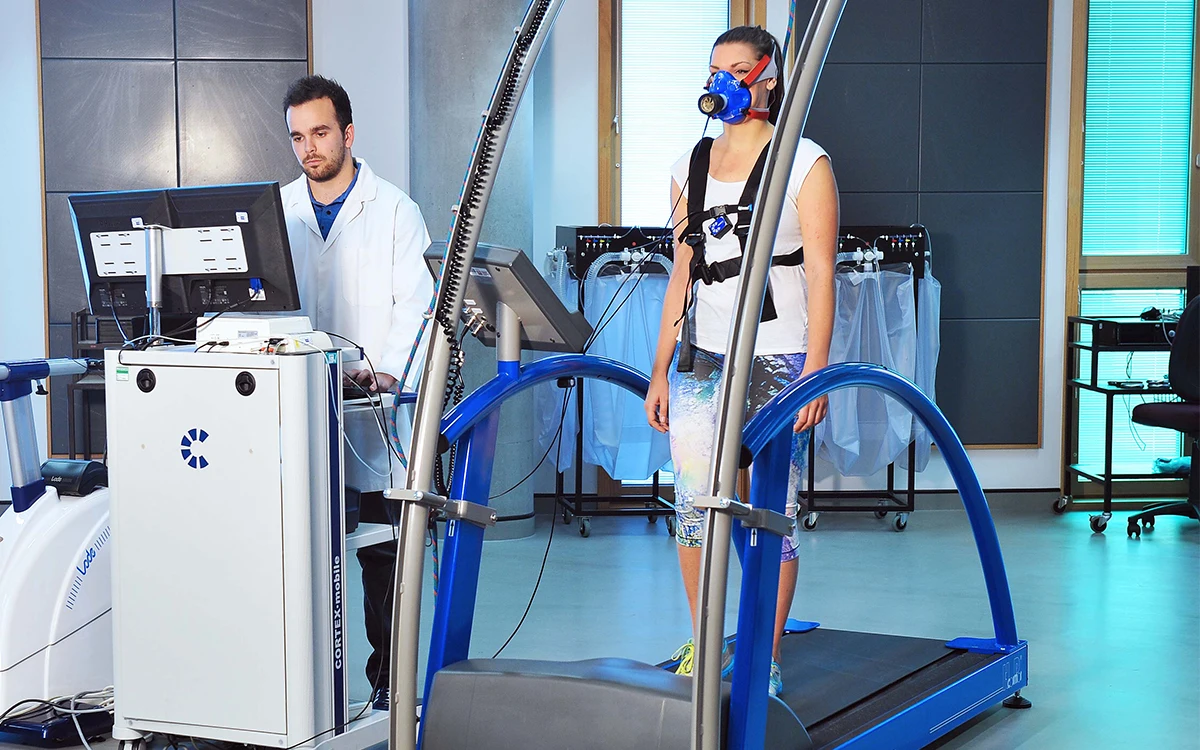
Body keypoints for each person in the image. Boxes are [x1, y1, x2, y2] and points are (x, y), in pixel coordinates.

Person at [643, 26, 838, 698]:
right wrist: (661, 368)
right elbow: (681, 274)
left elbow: (821, 273)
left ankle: (764, 656)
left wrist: (817, 370)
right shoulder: (688, 167)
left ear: (768, 78)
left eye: (736, 68)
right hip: (704, 358)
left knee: (769, 511)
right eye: (713, 69)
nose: (722, 80)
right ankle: (704, 642)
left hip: (780, 358)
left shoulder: (804, 163)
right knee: (694, 507)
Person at [281, 74, 434, 710]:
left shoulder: (394, 210)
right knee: (300, 553)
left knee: (382, 558)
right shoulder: (280, 210)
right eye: (297, 137)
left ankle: (388, 686)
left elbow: (419, 308)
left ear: (347, 133)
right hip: (297, 411)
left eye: (320, 133)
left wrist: (390, 373)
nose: (309, 148)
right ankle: (305, 691)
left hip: (374, 415)